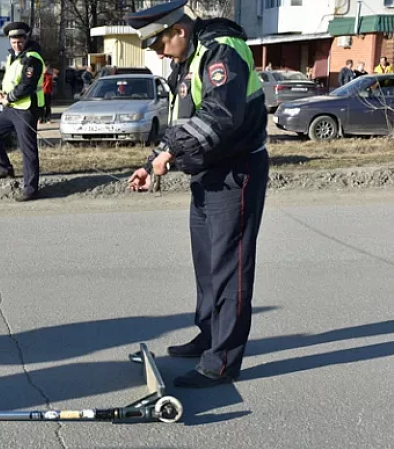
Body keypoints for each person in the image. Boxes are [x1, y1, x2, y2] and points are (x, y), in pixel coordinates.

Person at [125, 0, 269, 388]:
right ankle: (209, 336)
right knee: (207, 265)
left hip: (236, 172)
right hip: (207, 174)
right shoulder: (188, 59)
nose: (158, 53)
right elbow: (182, 122)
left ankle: (221, 362)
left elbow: (220, 116)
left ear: (179, 31)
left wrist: (170, 155)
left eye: (158, 44)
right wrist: (152, 161)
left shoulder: (222, 50)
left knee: (229, 269)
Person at [0, 21, 46, 202]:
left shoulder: (32, 58)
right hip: (12, 107)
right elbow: (9, 79)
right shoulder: (14, 57)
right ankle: (4, 168)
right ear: (9, 41)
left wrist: (8, 98)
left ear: (26, 39)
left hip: (27, 108)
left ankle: (31, 189)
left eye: (20, 41)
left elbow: (27, 85)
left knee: (27, 149)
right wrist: (0, 91)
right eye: (13, 41)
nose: (16, 44)